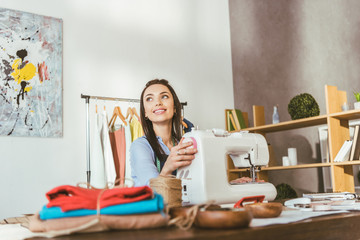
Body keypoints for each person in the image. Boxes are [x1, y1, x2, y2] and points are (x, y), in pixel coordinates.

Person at [130, 79, 197, 186]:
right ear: (145, 113)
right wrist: (167, 168)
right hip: (153, 203)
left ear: (175, 107)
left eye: (164, 96)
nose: (158, 103)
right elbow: (151, 189)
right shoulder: (140, 146)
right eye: (149, 99)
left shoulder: (183, 144)